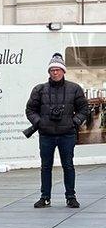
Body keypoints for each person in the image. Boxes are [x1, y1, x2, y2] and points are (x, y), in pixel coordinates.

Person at [26, 53, 89, 208]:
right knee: (45, 167)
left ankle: (71, 197)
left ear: (63, 71)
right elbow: (30, 110)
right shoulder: (39, 90)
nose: (55, 72)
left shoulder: (74, 89)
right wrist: (40, 122)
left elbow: (84, 109)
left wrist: (74, 122)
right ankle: (45, 197)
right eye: (52, 70)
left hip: (67, 134)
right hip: (46, 135)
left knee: (68, 165)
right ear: (49, 72)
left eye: (58, 69)